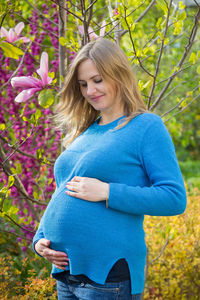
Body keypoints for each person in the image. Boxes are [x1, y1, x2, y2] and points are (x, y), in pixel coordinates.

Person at [33, 38, 187, 300]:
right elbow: (63, 189)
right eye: (83, 84)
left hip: (108, 277)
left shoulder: (146, 126)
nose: (90, 90)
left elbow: (174, 198)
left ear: (118, 74)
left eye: (97, 80)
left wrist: (107, 191)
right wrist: (41, 240)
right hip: (66, 274)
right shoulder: (85, 130)